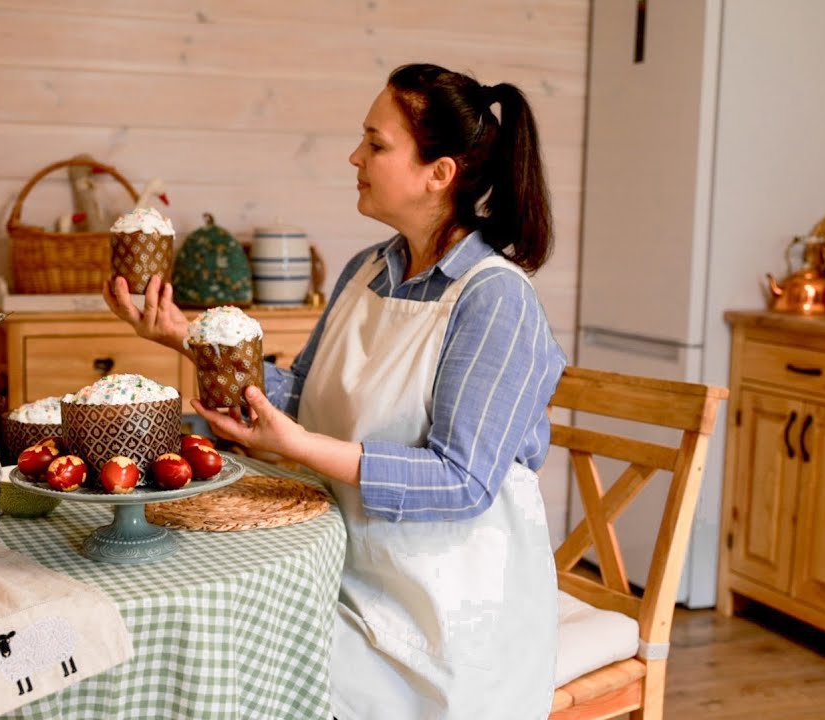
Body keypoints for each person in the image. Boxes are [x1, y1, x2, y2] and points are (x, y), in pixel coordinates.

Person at [104, 63, 565, 720]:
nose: (356, 156)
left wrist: (299, 445)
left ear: (440, 174)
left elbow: (463, 480)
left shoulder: (496, 300)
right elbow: (297, 399)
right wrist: (187, 335)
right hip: (342, 569)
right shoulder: (370, 269)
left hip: (446, 620)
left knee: (241, 676)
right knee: (201, 655)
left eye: (376, 145)